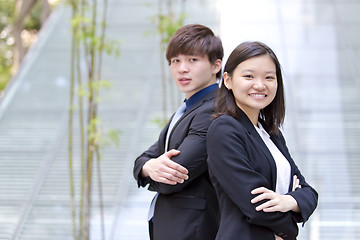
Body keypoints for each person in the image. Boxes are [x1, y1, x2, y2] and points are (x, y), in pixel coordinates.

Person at [206, 41, 318, 240]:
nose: (260, 85)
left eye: (269, 77)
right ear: (228, 80)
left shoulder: (271, 133)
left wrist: (288, 201)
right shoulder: (224, 129)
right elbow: (256, 204)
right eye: (249, 76)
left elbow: (309, 192)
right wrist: (291, 229)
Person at [133, 24, 223, 240]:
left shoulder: (214, 110)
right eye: (175, 61)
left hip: (193, 229)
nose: (182, 68)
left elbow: (172, 178)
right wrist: (149, 166)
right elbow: (144, 158)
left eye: (193, 60)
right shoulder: (187, 109)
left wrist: (152, 173)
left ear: (215, 66)